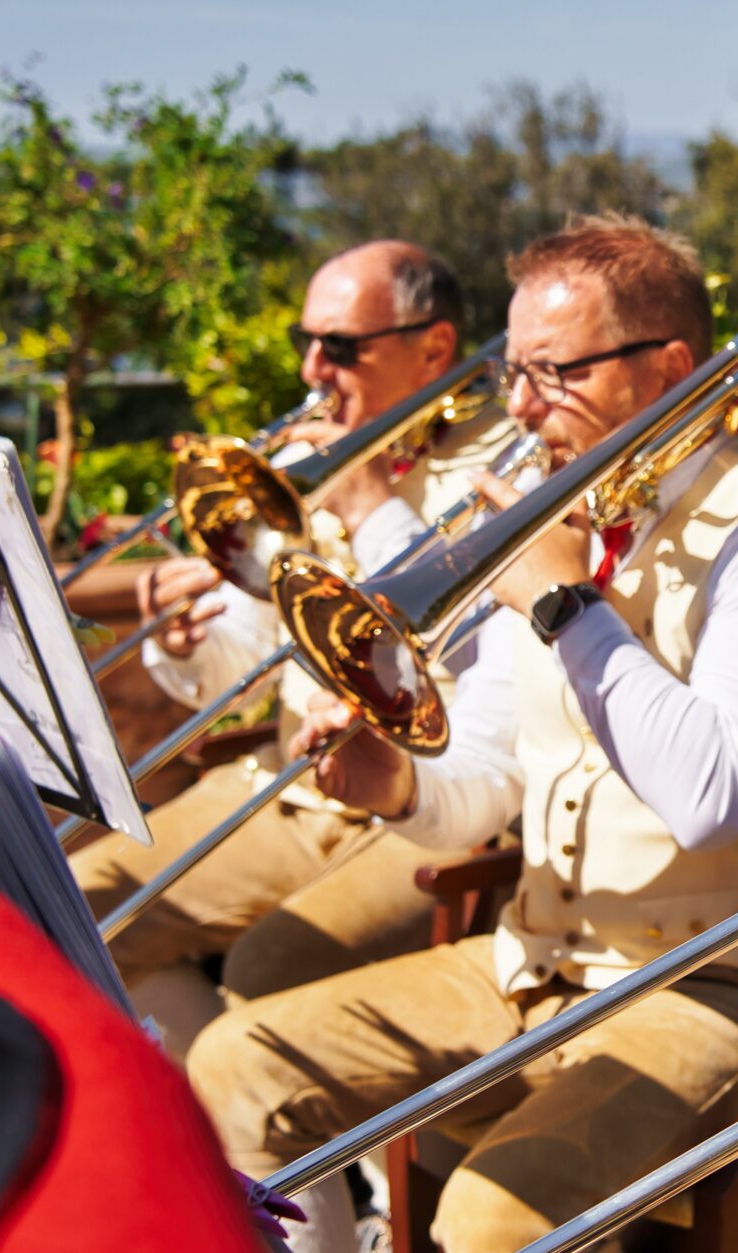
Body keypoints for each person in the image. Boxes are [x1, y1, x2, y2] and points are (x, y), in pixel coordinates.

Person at [186, 215, 738, 1253]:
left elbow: (712, 790)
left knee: (497, 1224)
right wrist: (394, 784)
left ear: (668, 367)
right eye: (514, 372)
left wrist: (568, 609)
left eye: (553, 373)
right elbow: (487, 784)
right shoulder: (568, 522)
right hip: (545, 962)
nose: (517, 408)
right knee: (235, 1064)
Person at [70, 241, 516, 1047]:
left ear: (435, 349)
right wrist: (188, 643)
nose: (313, 368)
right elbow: (237, 667)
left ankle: (238, 1114)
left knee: (265, 971)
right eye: (305, 342)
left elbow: (489, 656)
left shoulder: (506, 464)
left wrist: (372, 507)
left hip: (420, 801)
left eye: (340, 346)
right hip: (289, 781)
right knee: (75, 907)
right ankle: (190, 1104)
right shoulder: (303, 458)